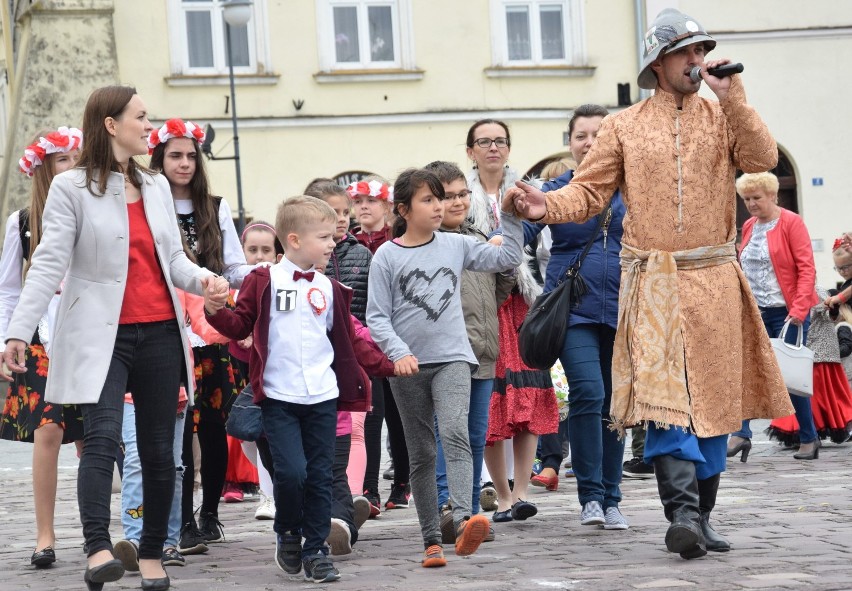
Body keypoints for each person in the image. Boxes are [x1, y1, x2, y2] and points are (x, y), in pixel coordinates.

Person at [507, 8, 793, 560]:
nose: (697, 61)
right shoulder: (624, 125)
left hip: (713, 278)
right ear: (658, 63)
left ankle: (702, 516)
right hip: (654, 282)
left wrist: (732, 95)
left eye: (701, 51)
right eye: (687, 52)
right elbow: (588, 194)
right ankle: (680, 513)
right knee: (667, 397)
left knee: (713, 402)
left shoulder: (724, 115)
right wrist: (546, 206)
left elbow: (763, 159)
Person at [1, 85, 229, 591]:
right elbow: (48, 265)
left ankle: (150, 551)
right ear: (110, 124)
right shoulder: (71, 189)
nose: (149, 127)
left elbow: (173, 261)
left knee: (157, 450)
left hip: (161, 335)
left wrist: (205, 282)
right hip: (99, 338)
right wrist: (17, 331)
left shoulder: (153, 186)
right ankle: (96, 547)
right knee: (101, 439)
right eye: (141, 118)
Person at [204, 195, 386, 583]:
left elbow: (348, 342)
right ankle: (288, 530)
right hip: (279, 398)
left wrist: (387, 365)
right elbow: (239, 326)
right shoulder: (262, 279)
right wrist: (216, 309)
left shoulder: (330, 288)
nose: (332, 242)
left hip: (322, 396)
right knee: (291, 474)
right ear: (295, 239)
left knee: (321, 476)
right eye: (324, 236)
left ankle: (316, 549)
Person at [366, 168, 523, 567]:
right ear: (403, 209)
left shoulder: (456, 244)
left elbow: (507, 257)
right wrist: (398, 352)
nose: (439, 207)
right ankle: (431, 540)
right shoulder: (386, 255)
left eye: (441, 199)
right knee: (420, 453)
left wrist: (513, 216)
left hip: (455, 358)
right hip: (407, 369)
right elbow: (377, 317)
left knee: (455, 432)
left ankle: (463, 518)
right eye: (428, 200)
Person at [147, 118, 252, 551]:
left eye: (191, 156)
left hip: (211, 326)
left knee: (212, 423)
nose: (184, 163)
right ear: (159, 159)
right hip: (168, 323)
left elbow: (233, 265)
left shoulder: (214, 206)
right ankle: (182, 518)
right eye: (175, 155)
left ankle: (209, 513)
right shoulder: (149, 204)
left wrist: (257, 278)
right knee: (180, 424)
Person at [523, 104, 629, 530]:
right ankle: (590, 496)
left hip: (625, 309)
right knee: (588, 391)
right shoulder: (556, 190)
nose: (589, 142)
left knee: (616, 405)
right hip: (574, 310)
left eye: (598, 134)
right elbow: (524, 232)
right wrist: (499, 233)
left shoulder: (634, 189)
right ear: (570, 143)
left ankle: (612, 496)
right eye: (581, 135)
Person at [0, 126, 84, 568]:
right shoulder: (23, 221)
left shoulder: (94, 212)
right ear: (44, 170)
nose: (73, 167)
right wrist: (5, 340)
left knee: (93, 435)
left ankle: (97, 530)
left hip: (89, 334)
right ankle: (45, 534)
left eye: (77, 159)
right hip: (40, 340)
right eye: (63, 160)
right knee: (47, 431)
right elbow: (9, 290)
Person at [422, 160, 515, 545]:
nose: (458, 202)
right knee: (450, 432)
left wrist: (503, 260)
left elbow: (497, 292)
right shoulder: (430, 244)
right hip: (448, 354)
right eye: (448, 195)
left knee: (476, 434)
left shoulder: (476, 236)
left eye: (463, 193)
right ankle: (448, 506)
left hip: (483, 348)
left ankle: (469, 509)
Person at [730, 172, 820, 461]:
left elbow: (807, 269)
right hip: (756, 311)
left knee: (790, 378)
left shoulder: (792, 223)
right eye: (747, 199)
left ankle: (809, 437)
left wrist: (798, 310)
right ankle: (741, 434)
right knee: (745, 371)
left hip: (788, 313)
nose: (752, 204)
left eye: (757, 198)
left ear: (772, 195)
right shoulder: (748, 226)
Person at [349, 178, 411, 514]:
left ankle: (402, 482)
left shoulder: (397, 241)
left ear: (386, 206)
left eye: (371, 200)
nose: (364, 207)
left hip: (396, 332)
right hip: (363, 334)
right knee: (371, 413)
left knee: (400, 413)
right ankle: (368, 487)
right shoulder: (349, 244)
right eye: (358, 201)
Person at [767, 284, 852, 448]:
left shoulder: (803, 292)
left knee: (811, 394)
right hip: (818, 352)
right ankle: (810, 431)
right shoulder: (811, 292)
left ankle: (808, 431)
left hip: (816, 351)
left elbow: (828, 313)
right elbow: (829, 313)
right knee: (819, 395)